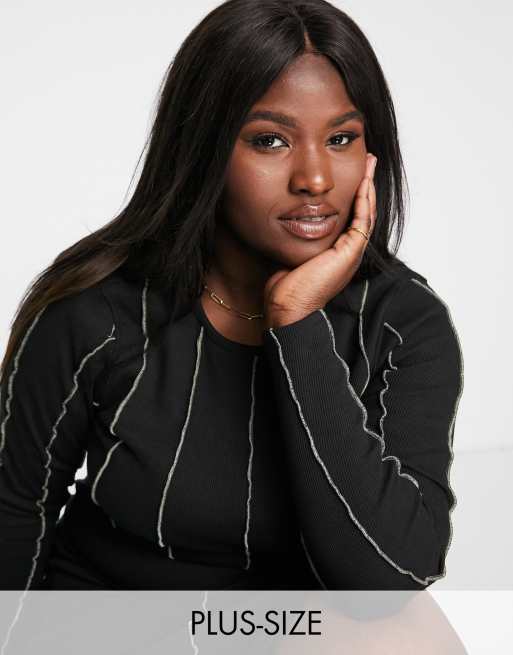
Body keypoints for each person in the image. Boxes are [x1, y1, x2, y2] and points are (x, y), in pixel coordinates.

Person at [0, 0, 463, 591]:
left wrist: (297, 325)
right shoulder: (97, 309)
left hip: (297, 630)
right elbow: (16, 509)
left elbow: (395, 576)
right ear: (204, 149)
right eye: (270, 141)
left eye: (341, 138)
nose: (315, 179)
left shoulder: (403, 323)